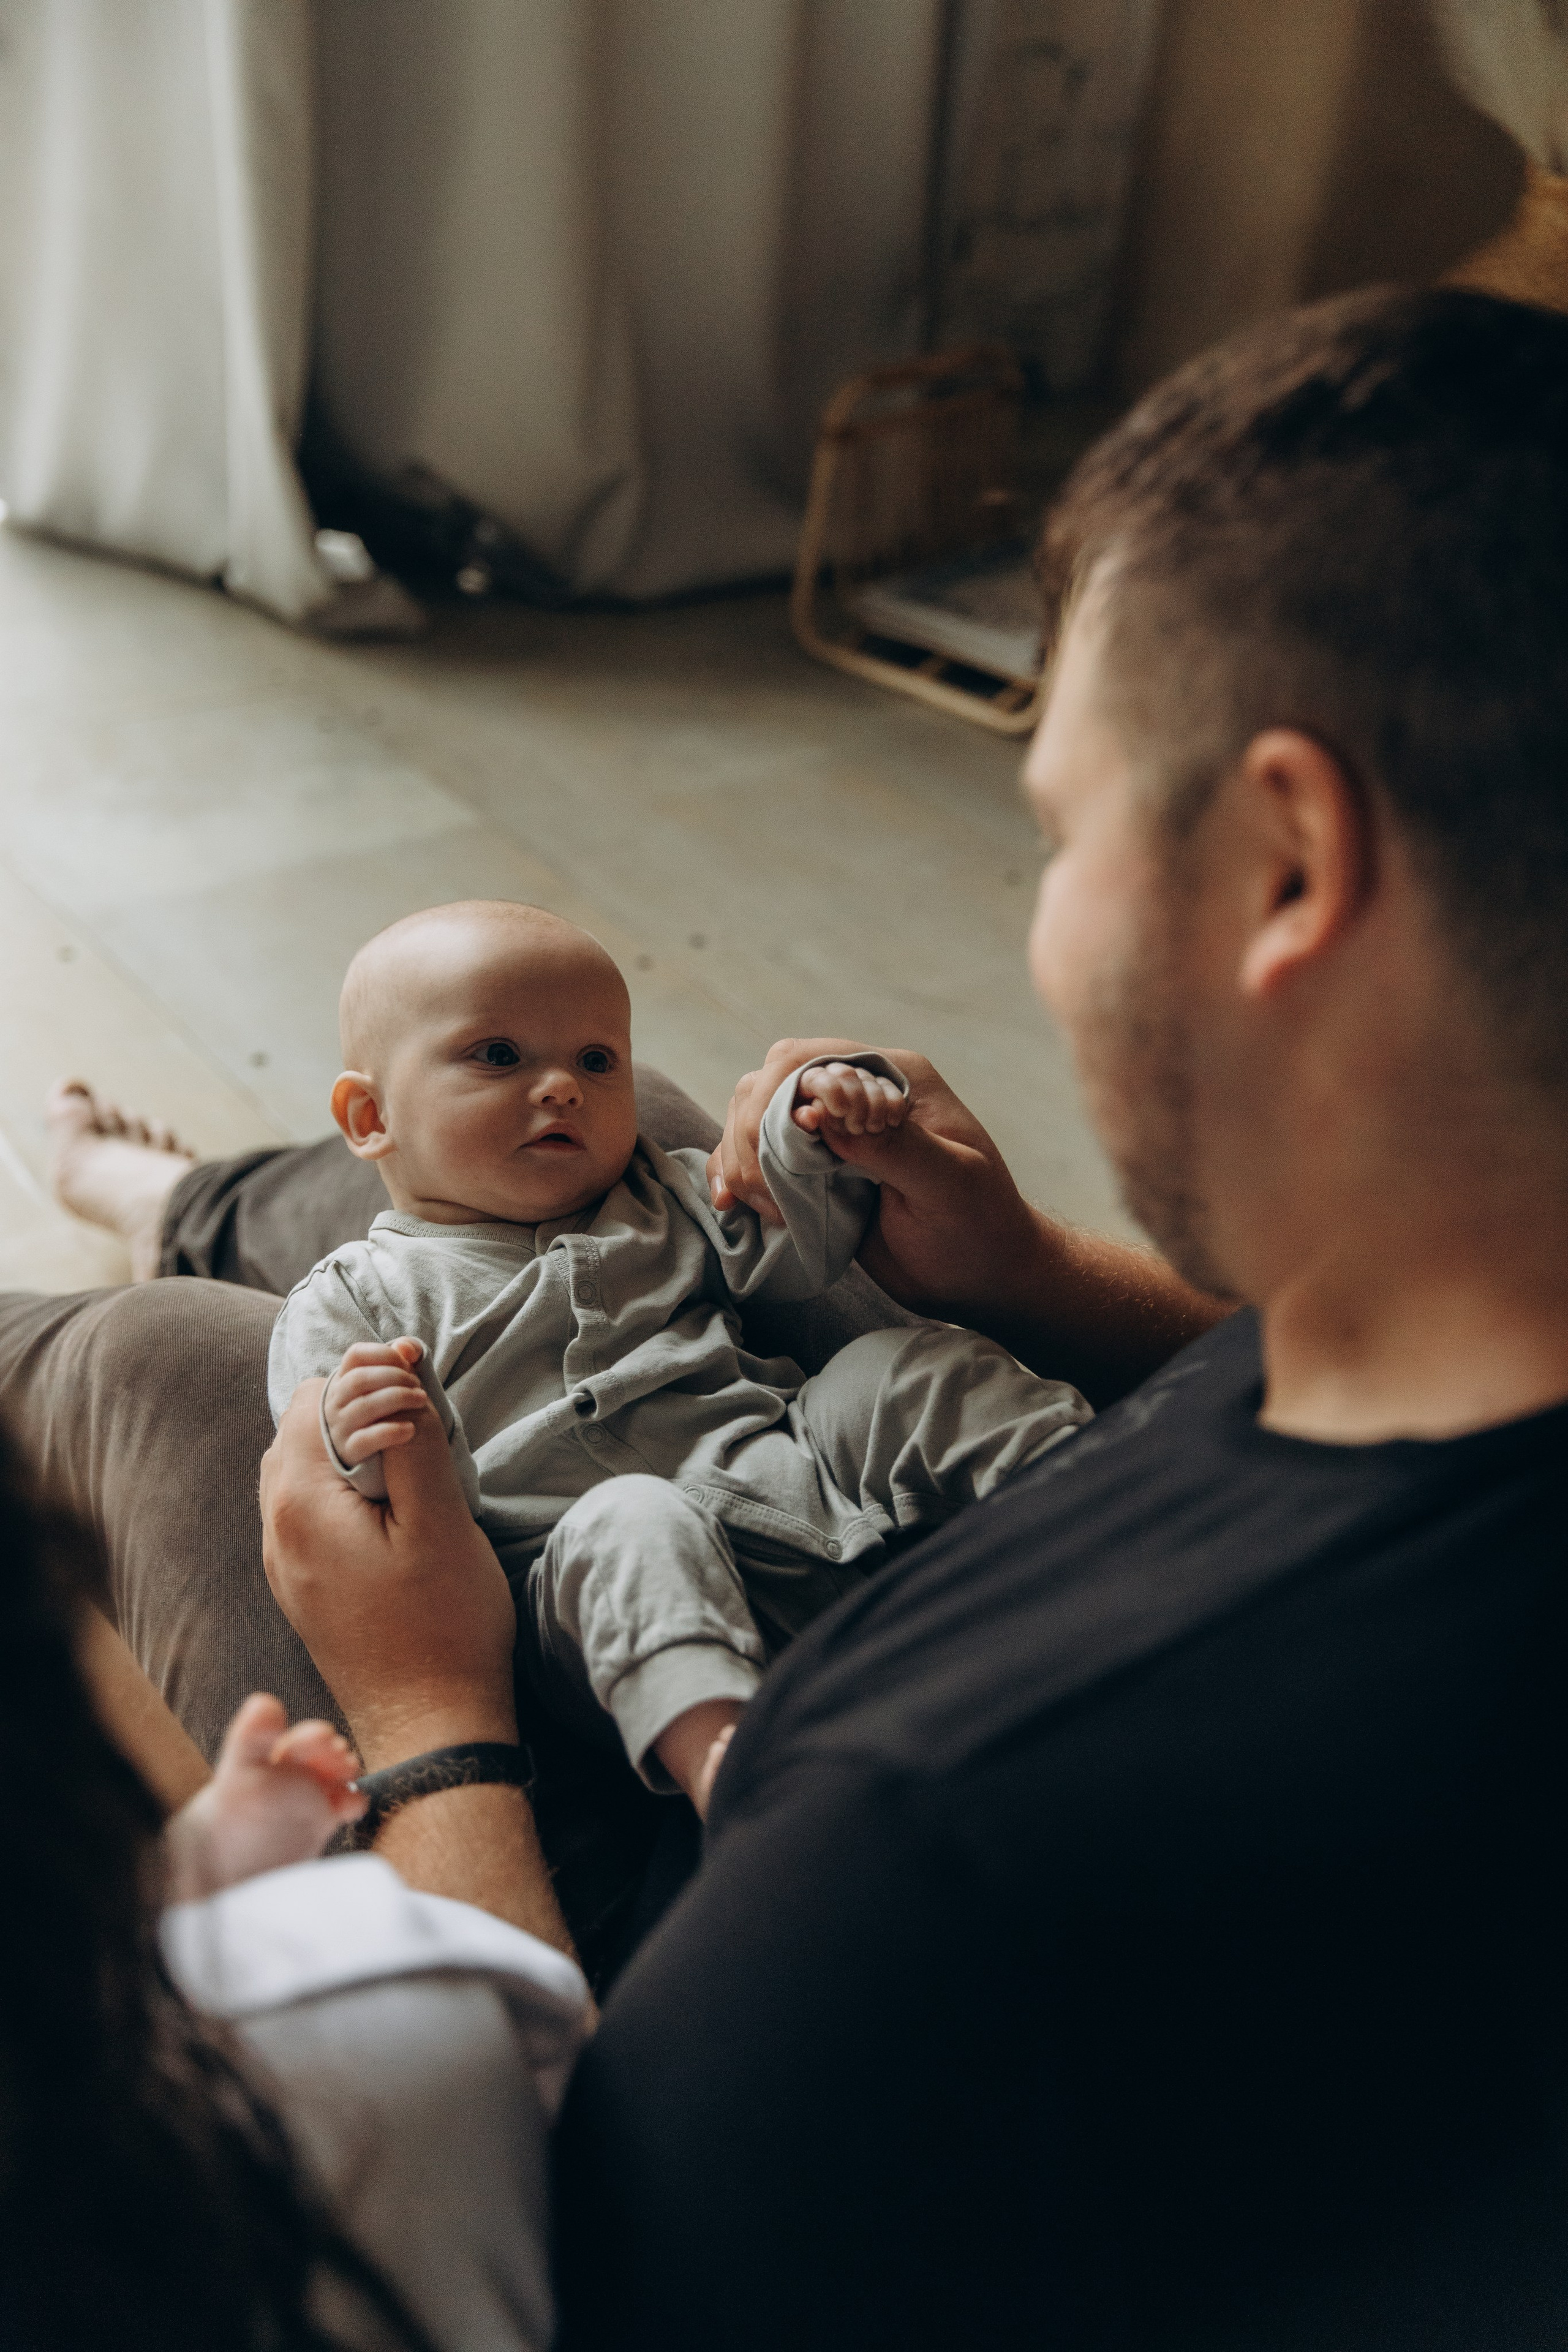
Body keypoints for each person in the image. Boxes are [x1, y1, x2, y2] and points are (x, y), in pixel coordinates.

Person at [13, 280, 1564, 2342]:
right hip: (814, 1485)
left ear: (1290, 863)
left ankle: (155, 1223)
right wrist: (1028, 1276)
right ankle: (186, 1186)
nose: (1042, 916)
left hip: (626, 1779)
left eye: (1062, 830)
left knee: (160, 1356)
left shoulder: (926, 1858)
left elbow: (553, 2262)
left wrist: (424, 1720)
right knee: (608, 1123)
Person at [271, 901, 1085, 1812]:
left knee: (902, 1367)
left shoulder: (656, 1190)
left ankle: (1104, 1508)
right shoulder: (353, 1296)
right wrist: (357, 1437)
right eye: (499, 1056)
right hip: (589, 1582)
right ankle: (732, 1772)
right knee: (632, 1518)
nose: (563, 1088)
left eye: (597, 1060)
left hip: (795, 1472)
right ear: (370, 1113)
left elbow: (796, 1238)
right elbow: (333, 1489)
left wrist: (811, 1120)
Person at [0, 1425, 588, 2352]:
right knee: (172, 1360)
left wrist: (204, 1853)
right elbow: (591, 2129)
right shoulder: (333, 2020)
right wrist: (428, 1703)